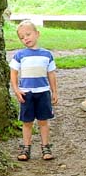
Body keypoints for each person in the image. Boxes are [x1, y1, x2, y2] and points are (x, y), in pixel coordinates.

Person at [10, 20, 58, 161]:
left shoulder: (47, 55)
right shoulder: (20, 55)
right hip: (26, 93)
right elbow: (13, 72)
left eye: (28, 34)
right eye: (22, 37)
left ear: (37, 34)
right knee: (27, 122)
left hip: (43, 92)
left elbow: (51, 74)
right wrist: (16, 89)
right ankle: (26, 148)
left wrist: (54, 91)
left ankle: (45, 147)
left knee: (43, 121)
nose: (26, 39)